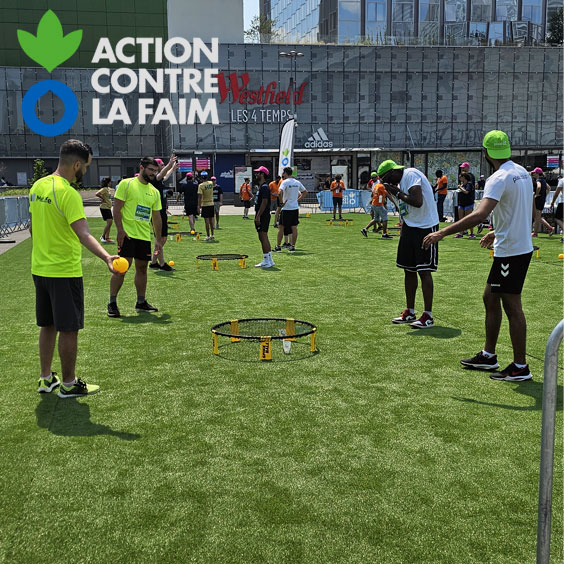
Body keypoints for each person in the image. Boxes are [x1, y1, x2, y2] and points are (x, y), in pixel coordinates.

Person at [422, 130, 534, 381]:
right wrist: (496, 232)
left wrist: (442, 233)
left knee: (512, 306)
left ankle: (520, 367)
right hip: (515, 246)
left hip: (512, 252)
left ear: (486, 153)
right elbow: (516, 209)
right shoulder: (521, 172)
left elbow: (479, 214)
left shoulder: (499, 177)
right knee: (490, 297)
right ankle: (488, 355)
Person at [30, 139, 118, 398]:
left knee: (47, 325)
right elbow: (83, 234)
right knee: (68, 328)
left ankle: (46, 379)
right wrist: (106, 257)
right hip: (64, 271)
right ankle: (68, 383)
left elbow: (34, 229)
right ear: (77, 164)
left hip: (40, 269)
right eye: (85, 167)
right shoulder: (67, 193)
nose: (84, 172)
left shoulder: (38, 186)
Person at [377, 159, 439, 329]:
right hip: (410, 226)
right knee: (408, 269)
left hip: (425, 226)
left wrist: (396, 192)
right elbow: (404, 205)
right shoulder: (398, 181)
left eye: (386, 178)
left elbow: (417, 200)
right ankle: (410, 311)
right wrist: (393, 193)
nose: (386, 183)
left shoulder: (410, 174)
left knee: (424, 270)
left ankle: (428, 315)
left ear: (393, 172)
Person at [108, 157, 163, 318]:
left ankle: (141, 302)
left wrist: (158, 240)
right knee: (122, 267)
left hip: (144, 236)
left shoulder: (154, 192)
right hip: (127, 234)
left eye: (155, 170)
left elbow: (157, 217)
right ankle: (112, 302)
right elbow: (117, 208)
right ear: (141, 168)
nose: (153, 173)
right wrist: (119, 230)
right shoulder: (127, 184)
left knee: (142, 269)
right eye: (151, 170)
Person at [149, 155, 177, 271]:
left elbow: (165, 176)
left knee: (162, 239)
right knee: (159, 239)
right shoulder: (155, 178)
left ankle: (153, 262)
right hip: (157, 213)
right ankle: (162, 264)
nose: (163, 166)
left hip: (161, 212)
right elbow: (161, 175)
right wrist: (169, 165)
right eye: (161, 164)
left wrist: (172, 168)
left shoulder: (159, 179)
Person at [274, 167, 307, 253]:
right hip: (294, 208)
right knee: (294, 227)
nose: (282, 175)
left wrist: (281, 203)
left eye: (283, 173)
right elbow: (305, 192)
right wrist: (298, 200)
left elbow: (279, 192)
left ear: (285, 173)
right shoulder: (297, 182)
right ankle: (292, 246)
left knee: (281, 227)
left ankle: (278, 246)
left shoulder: (284, 182)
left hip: (286, 208)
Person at [253, 166, 275, 268]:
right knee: (263, 236)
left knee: (263, 236)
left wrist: (258, 216)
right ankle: (269, 259)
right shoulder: (262, 186)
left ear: (262, 174)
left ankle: (266, 260)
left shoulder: (265, 187)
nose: (256, 174)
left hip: (263, 215)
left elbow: (264, 202)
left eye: (258, 173)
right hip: (263, 214)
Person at [531, 168, 554, 237]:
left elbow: (538, 187)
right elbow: (549, 188)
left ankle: (535, 233)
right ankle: (550, 228)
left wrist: (537, 194)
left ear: (537, 173)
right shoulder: (543, 180)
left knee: (536, 217)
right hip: (542, 199)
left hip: (538, 200)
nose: (533, 174)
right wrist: (544, 195)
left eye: (534, 173)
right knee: (537, 216)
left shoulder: (538, 180)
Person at [453, 172, 476, 239]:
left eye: (461, 177)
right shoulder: (462, 184)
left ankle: (472, 233)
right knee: (461, 219)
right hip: (461, 203)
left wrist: (460, 187)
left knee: (468, 219)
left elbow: (466, 192)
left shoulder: (469, 184)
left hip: (468, 203)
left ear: (464, 177)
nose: (459, 178)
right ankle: (461, 233)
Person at [197, 171, 215, 241]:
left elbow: (199, 197)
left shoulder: (201, 186)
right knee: (211, 221)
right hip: (211, 203)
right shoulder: (211, 183)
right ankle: (212, 234)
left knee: (206, 222)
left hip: (205, 204)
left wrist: (198, 206)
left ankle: (208, 235)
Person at [96, 177, 114, 243]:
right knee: (110, 222)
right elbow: (97, 193)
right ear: (108, 182)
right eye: (110, 182)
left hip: (108, 207)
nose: (111, 183)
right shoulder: (104, 189)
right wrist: (102, 199)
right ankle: (103, 236)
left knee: (109, 223)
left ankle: (107, 238)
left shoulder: (107, 189)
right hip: (104, 207)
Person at [549, 176, 564, 241]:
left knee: (557, 218)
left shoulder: (562, 180)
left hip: (563, 202)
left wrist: (552, 202)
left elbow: (556, 193)